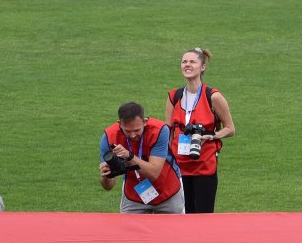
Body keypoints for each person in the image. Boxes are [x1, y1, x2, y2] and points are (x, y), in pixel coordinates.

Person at [166, 47, 236, 213]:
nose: (187, 65)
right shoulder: (174, 96)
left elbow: (230, 129)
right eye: (184, 62)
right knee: (184, 213)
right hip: (179, 164)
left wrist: (211, 136)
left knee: (204, 215)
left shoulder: (213, 96)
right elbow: (167, 130)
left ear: (202, 67)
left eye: (192, 62)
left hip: (204, 164)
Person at [98, 101, 184, 214]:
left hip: (167, 191)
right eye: (127, 131)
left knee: (173, 230)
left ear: (145, 122)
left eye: (137, 130)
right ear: (120, 124)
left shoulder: (159, 130)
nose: (133, 135)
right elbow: (108, 187)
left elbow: (154, 173)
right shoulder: (109, 136)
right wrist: (106, 175)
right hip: (133, 193)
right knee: (129, 231)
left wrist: (129, 156)